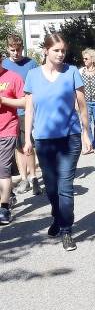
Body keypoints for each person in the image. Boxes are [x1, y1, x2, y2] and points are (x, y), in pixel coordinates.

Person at [23, 33, 91, 251]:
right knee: (51, 187)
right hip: (43, 139)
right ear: (46, 50)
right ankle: (57, 216)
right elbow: (29, 109)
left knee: (65, 186)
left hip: (69, 138)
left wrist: (86, 132)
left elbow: (82, 105)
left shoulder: (71, 72)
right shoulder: (33, 75)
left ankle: (66, 230)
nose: (61, 54)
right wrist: (27, 139)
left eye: (63, 50)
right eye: (56, 50)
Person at [2, 34, 40, 195]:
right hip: (9, 113)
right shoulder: (3, 64)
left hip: (26, 110)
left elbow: (38, 85)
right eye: (12, 50)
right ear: (7, 49)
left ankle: (33, 177)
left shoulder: (31, 63)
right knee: (17, 147)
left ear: (22, 48)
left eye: (18, 50)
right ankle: (23, 178)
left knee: (27, 144)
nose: (16, 53)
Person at [0, 53, 25, 224]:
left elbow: (24, 102)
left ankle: (4, 207)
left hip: (7, 129)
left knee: (3, 169)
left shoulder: (13, 77)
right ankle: (9, 194)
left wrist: (3, 100)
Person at [80, 49, 95, 154]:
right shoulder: (80, 71)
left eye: (86, 58)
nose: (84, 60)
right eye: (83, 58)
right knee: (86, 124)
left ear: (92, 59)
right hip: (85, 102)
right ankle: (89, 144)